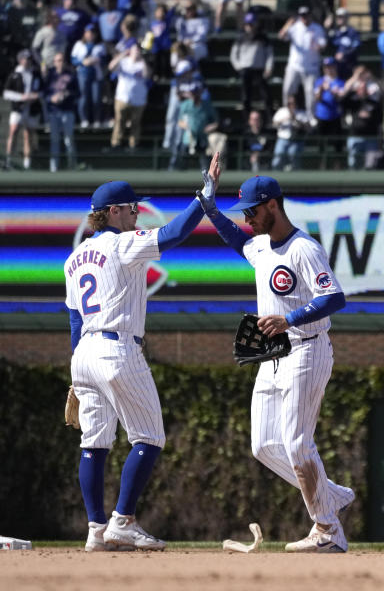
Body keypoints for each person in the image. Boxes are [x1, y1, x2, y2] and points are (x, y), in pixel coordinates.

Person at [199, 171, 356, 553]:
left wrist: (290, 318)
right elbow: (238, 241)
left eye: (252, 210)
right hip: (272, 355)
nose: (247, 218)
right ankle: (331, 495)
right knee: (265, 445)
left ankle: (328, 528)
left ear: (273, 204)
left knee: (298, 443)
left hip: (307, 347)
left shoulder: (304, 248)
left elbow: (334, 297)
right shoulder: (261, 245)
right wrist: (209, 207)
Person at [67, 161, 219, 552]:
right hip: (118, 349)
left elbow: (73, 317)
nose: (137, 213)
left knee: (94, 443)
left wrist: (75, 375)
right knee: (149, 437)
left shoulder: (74, 258)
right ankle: (124, 521)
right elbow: (174, 233)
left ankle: (96, 530)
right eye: (132, 207)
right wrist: (205, 197)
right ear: (113, 211)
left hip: (84, 352)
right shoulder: (121, 243)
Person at [279, 7, 326, 117]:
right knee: (287, 90)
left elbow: (322, 45)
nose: (304, 18)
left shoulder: (317, 28)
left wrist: (316, 45)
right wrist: (287, 24)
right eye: (302, 15)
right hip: (294, 66)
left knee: (311, 93)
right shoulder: (295, 27)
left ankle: (311, 118)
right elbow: (281, 36)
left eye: (306, 15)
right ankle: (288, 116)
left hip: (311, 67)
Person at [3, 50, 42, 170]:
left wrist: (35, 96)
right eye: (24, 58)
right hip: (18, 109)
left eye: (28, 59)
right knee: (13, 131)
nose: (26, 61)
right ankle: (9, 159)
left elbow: (42, 89)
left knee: (28, 134)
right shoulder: (15, 74)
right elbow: (6, 93)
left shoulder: (35, 74)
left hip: (31, 109)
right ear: (20, 60)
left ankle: (27, 162)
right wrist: (21, 97)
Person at [108, 39, 150, 151]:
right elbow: (111, 67)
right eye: (135, 50)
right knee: (119, 121)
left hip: (138, 99)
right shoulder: (124, 62)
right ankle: (116, 143)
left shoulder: (142, 64)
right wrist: (122, 55)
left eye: (138, 50)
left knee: (135, 123)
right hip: (122, 97)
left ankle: (134, 144)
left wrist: (143, 60)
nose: (137, 52)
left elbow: (147, 75)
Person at [230, 12, 275, 117]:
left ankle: (269, 118)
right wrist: (238, 67)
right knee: (246, 96)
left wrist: (268, 68)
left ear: (256, 24)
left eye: (251, 24)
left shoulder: (263, 38)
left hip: (259, 70)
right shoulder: (240, 38)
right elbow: (233, 55)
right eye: (247, 24)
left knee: (266, 95)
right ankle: (247, 119)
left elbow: (269, 55)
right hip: (245, 70)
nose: (249, 27)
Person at [43, 51, 80, 172]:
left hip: (67, 111)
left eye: (62, 60)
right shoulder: (50, 76)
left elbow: (78, 93)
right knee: (55, 140)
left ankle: (72, 166)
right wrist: (52, 99)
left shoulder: (71, 75)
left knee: (68, 139)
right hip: (54, 112)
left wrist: (66, 94)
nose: (60, 63)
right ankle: (54, 168)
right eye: (58, 60)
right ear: (54, 62)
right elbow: (45, 94)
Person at [170, 82, 219, 171]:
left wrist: (210, 127)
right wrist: (187, 127)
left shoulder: (207, 105)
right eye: (192, 92)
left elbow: (216, 122)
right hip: (188, 138)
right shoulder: (185, 104)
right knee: (183, 159)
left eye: (196, 92)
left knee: (205, 162)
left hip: (203, 138)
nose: (194, 95)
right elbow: (180, 121)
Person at [71, 24, 108, 129]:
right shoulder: (79, 45)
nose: (90, 35)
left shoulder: (100, 46)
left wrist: (98, 60)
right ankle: (84, 119)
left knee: (96, 98)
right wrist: (83, 62)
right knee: (84, 97)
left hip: (96, 74)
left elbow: (105, 60)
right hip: (83, 74)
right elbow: (73, 60)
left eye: (93, 33)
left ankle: (97, 119)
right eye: (88, 32)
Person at [272, 94, 311, 171]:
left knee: (293, 156)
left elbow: (308, 127)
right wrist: (284, 119)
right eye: (289, 103)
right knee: (278, 157)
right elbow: (274, 124)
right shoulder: (282, 111)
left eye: (292, 103)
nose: (290, 105)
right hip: (282, 139)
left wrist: (295, 119)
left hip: (296, 140)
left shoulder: (301, 113)